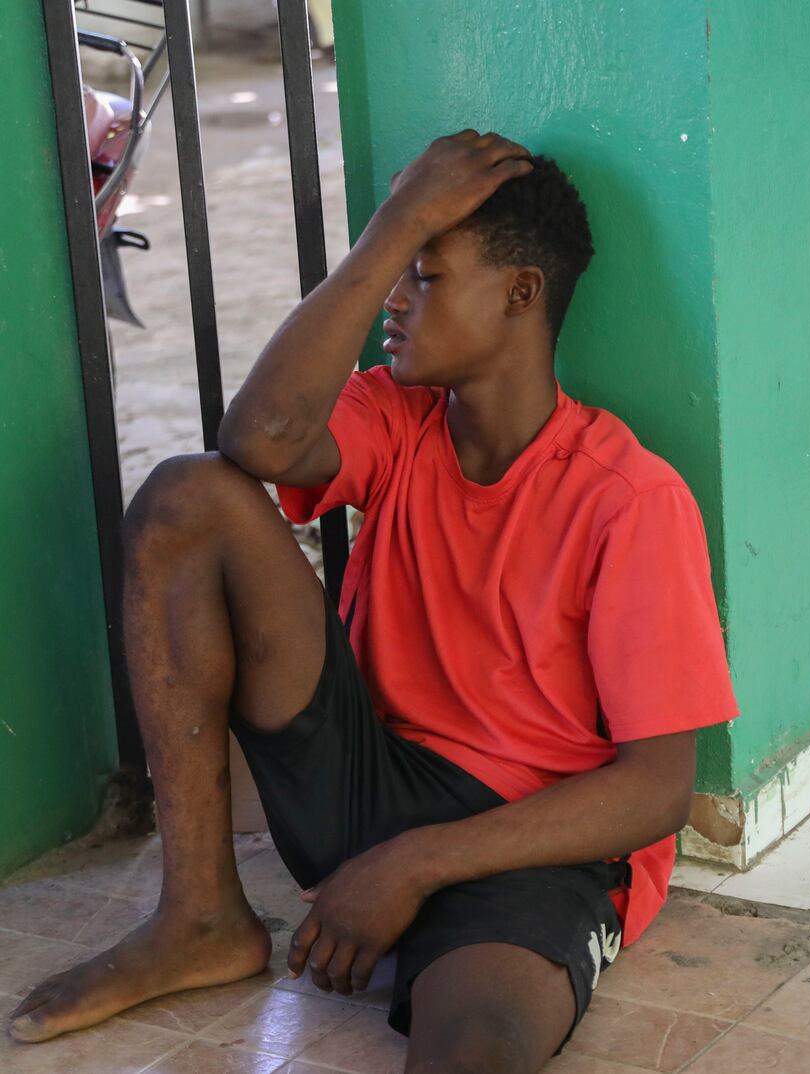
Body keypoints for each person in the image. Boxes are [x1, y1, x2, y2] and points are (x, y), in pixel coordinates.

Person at [8, 131, 739, 1072]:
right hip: (364, 777)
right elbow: (260, 439)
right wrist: (397, 227)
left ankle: (429, 909)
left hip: (525, 840)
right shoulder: (393, 417)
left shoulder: (627, 498)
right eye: (394, 265)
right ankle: (198, 919)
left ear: (522, 292)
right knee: (188, 496)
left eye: (424, 274)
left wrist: (416, 865)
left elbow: (656, 790)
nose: (392, 297)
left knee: (473, 1049)